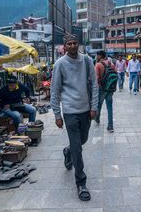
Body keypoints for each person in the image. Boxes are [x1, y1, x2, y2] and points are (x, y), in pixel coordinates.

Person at [50, 34, 98, 201]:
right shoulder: (59, 64)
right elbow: (55, 90)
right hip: (69, 111)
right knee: (78, 148)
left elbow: (94, 84)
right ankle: (81, 183)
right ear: (64, 46)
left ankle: (67, 151)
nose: (72, 46)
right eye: (68, 43)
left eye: (74, 43)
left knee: (82, 140)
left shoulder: (87, 61)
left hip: (86, 110)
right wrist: (57, 114)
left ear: (79, 44)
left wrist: (94, 106)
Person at [95, 50, 115, 132]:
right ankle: (110, 126)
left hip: (101, 88)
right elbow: (115, 74)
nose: (96, 57)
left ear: (99, 56)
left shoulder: (98, 65)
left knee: (99, 105)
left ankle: (97, 118)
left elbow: (96, 79)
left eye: (97, 55)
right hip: (110, 88)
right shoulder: (111, 64)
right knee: (109, 107)